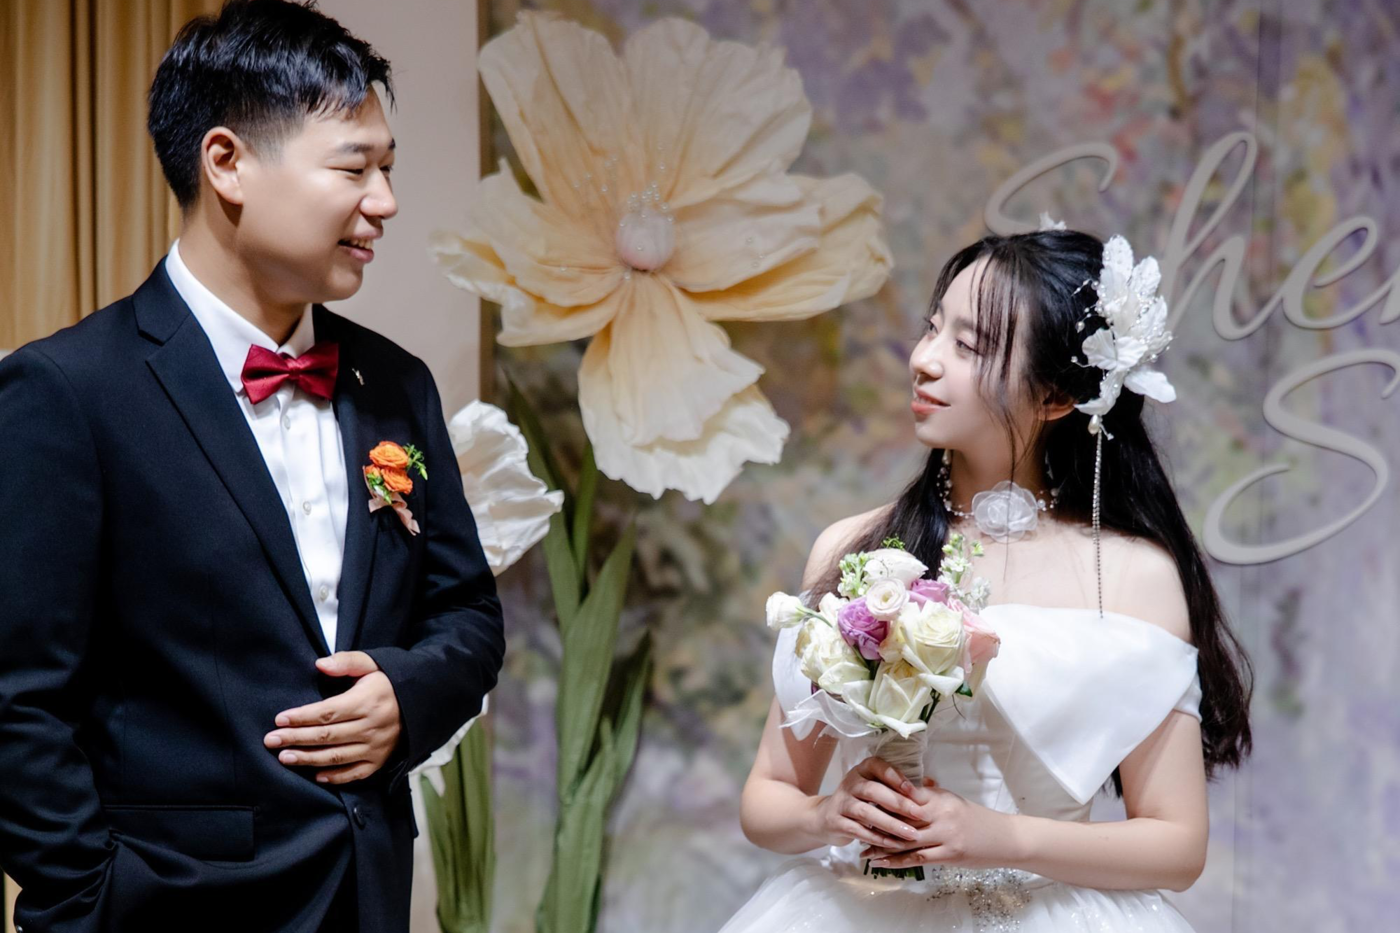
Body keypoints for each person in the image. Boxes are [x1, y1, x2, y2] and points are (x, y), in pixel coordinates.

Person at [0, 2, 504, 930]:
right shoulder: (67, 390)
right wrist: (91, 899)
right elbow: (17, 699)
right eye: (354, 168)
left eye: (388, 169)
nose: (384, 202)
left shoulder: (396, 385)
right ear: (226, 162)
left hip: (365, 896)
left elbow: (467, 611)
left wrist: (406, 694)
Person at [723, 228, 1253, 931]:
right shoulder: (857, 550)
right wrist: (827, 813)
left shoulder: (1133, 575)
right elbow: (767, 796)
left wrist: (1000, 838)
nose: (924, 360)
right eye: (932, 328)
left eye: (968, 346)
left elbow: (1177, 846)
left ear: (1056, 395)